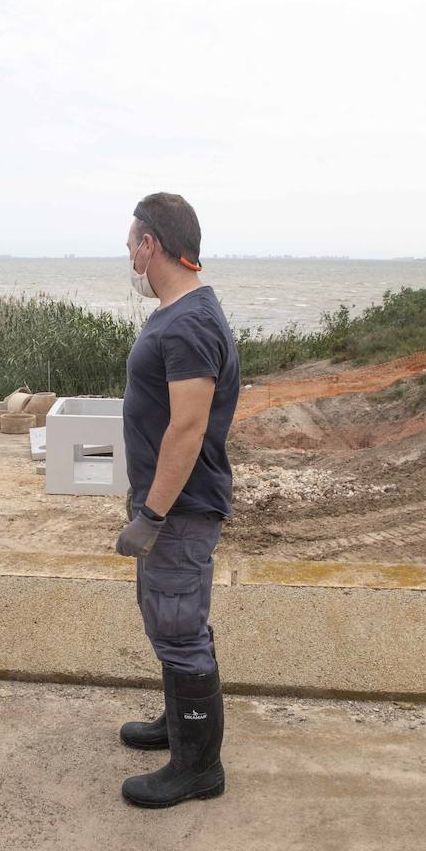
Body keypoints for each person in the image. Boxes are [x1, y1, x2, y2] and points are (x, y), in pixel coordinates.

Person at [114, 192, 240, 808]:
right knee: (168, 619)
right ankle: (179, 723)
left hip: (180, 510)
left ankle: (198, 768)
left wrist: (152, 515)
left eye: (131, 243)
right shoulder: (180, 312)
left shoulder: (189, 323)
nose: (128, 256)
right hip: (169, 505)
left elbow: (187, 428)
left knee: (180, 625)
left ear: (150, 245)